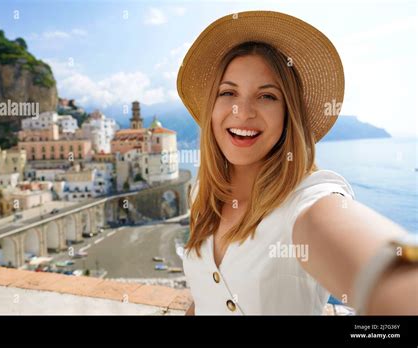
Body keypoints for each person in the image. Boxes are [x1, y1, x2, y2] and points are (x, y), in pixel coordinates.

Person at [177, 11, 418, 315]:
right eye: (228, 92)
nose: (243, 110)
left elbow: (394, 274)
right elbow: (203, 297)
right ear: (212, 107)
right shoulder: (202, 193)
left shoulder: (308, 203)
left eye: (267, 96)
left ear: (288, 115)